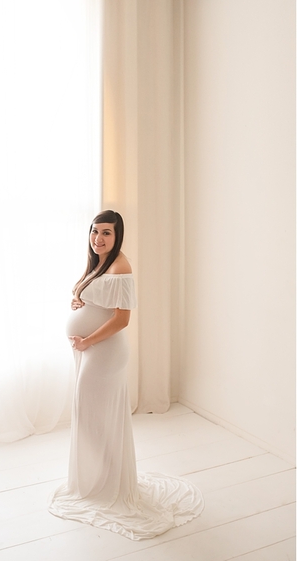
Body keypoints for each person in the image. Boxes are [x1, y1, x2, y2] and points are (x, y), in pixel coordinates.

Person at [49, 210, 203, 540]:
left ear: (118, 235)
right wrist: (78, 300)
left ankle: (108, 484)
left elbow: (122, 319)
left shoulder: (121, 266)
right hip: (89, 348)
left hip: (104, 351)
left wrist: (87, 340)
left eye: (106, 233)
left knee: (93, 412)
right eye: (94, 232)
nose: (98, 238)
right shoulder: (98, 262)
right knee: (91, 414)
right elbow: (92, 296)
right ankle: (95, 479)